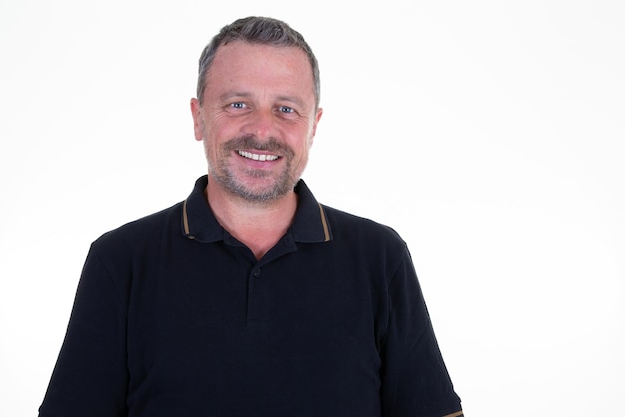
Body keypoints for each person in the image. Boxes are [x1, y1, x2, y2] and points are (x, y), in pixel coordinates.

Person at [38, 16, 463, 417]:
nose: (262, 130)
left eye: (286, 109)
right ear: (198, 117)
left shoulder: (380, 257)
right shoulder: (121, 261)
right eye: (238, 103)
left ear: (314, 126)